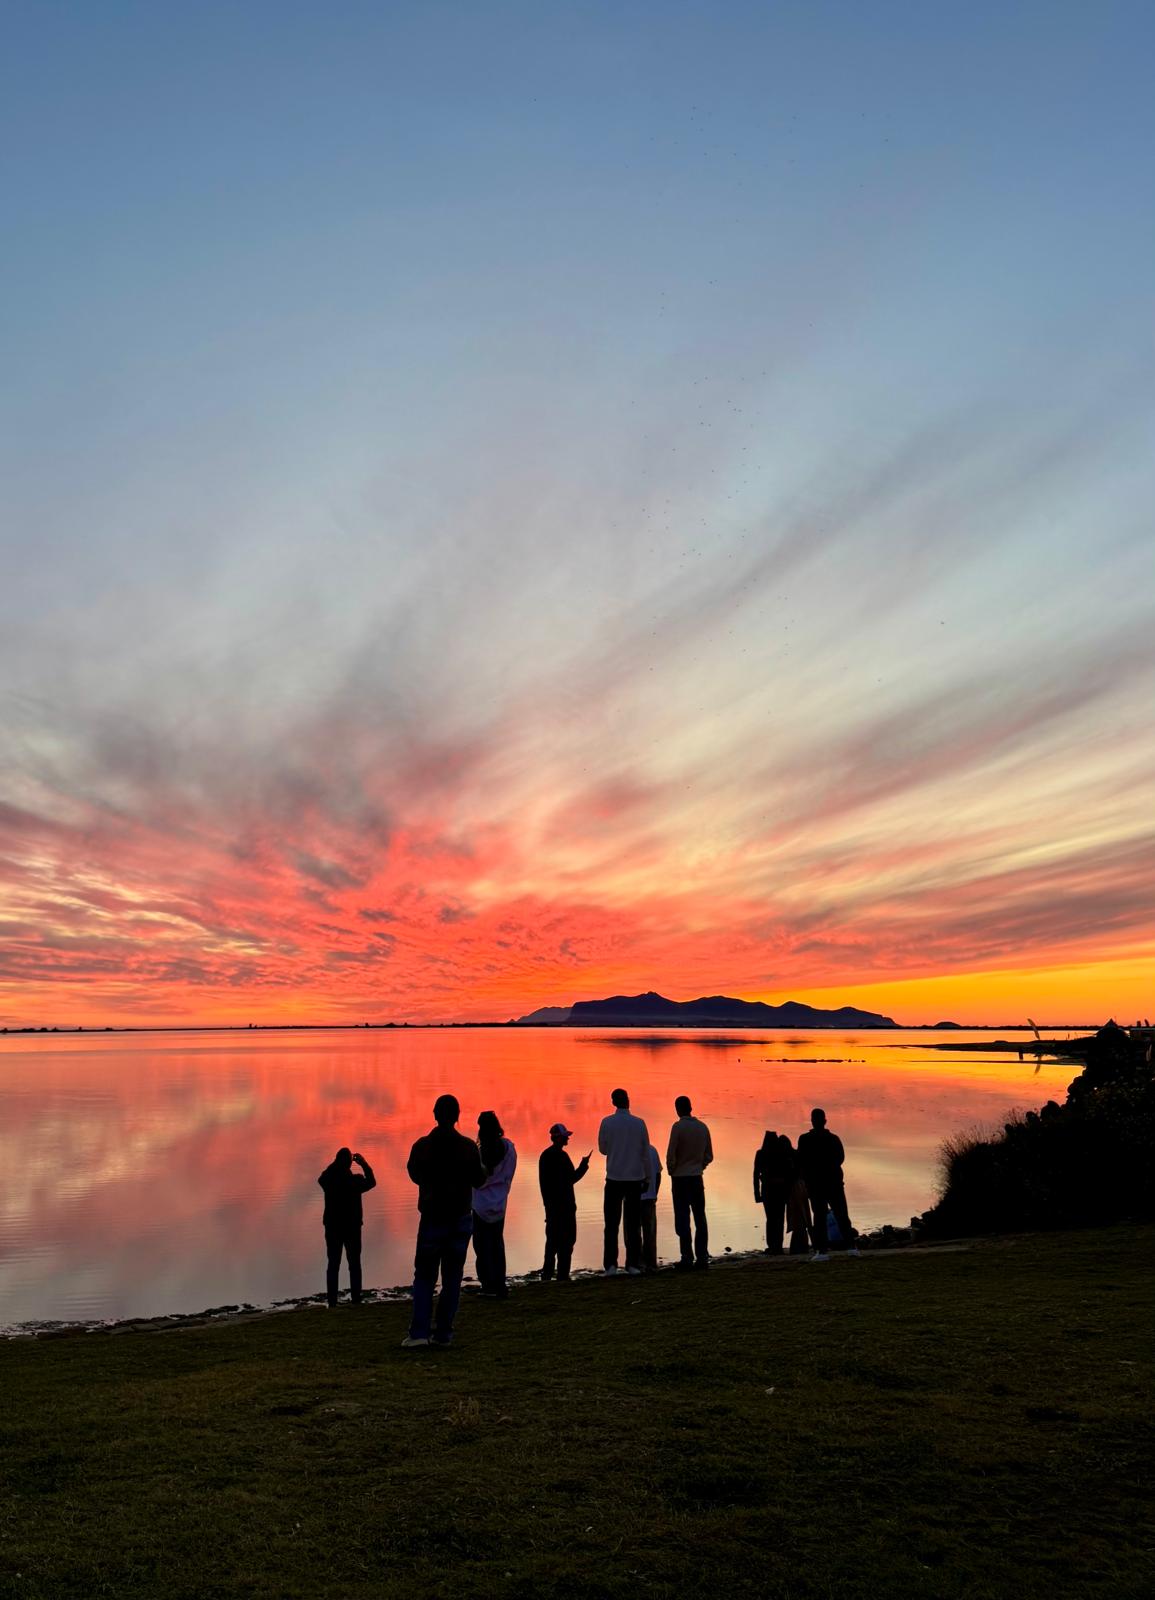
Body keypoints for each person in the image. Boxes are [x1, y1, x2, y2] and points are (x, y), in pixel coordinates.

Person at [403, 1094, 487, 1347]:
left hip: (432, 1217)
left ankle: (419, 1334)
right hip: (460, 1218)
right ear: (457, 1117)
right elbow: (479, 1180)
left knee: (425, 1276)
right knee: (452, 1277)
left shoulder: (422, 1146)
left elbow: (414, 1174)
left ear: (435, 1114)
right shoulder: (468, 1147)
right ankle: (443, 1334)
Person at [597, 1088, 651, 1276]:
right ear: (628, 1101)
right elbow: (645, 1154)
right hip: (635, 1179)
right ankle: (633, 1264)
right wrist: (648, 1178)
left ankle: (611, 1266)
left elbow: (603, 1150)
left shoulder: (607, 1122)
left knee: (611, 1224)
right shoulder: (639, 1123)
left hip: (614, 1179)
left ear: (613, 1102)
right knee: (633, 1224)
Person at [797, 1108, 859, 1261]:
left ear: (812, 1121)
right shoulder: (833, 1139)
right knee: (841, 1215)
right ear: (825, 1121)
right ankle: (850, 1247)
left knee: (820, 1217)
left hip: (817, 1184)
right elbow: (840, 1158)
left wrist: (809, 1176)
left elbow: (801, 1161)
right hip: (833, 1183)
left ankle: (822, 1251)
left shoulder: (805, 1139)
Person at [317, 1147, 376, 1307]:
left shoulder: (329, 1180)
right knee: (354, 1264)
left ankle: (332, 1302)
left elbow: (321, 1178)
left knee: (333, 1264)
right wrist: (363, 1164)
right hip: (352, 1227)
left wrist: (336, 1163)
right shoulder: (355, 1181)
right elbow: (372, 1181)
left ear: (336, 1162)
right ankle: (356, 1299)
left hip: (333, 1226)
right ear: (350, 1164)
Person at [472, 1110, 517, 1299]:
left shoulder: (480, 1153)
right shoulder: (509, 1148)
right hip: (500, 1204)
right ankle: (499, 1283)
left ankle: (488, 1285)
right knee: (497, 1244)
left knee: (481, 1247)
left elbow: (477, 1181)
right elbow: (509, 1174)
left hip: (480, 1206)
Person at [538, 1123, 590, 1281]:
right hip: (564, 1206)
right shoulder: (561, 1157)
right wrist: (583, 1166)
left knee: (552, 1243)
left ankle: (548, 1275)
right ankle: (562, 1275)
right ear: (558, 1138)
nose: (568, 1138)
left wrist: (547, 1205)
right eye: (565, 1136)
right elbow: (571, 1179)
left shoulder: (545, 1156)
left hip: (553, 1207)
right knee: (566, 1242)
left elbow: (544, 1184)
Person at [667, 1095, 713, 1270]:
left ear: (678, 1109)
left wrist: (672, 1171)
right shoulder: (702, 1127)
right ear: (691, 1107)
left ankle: (687, 1256)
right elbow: (709, 1155)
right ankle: (701, 1256)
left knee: (682, 1217)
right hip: (696, 1177)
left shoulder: (678, 1128)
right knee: (700, 1217)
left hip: (680, 1178)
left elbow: (671, 1154)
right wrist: (700, 1166)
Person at [753, 1130, 793, 1254]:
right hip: (781, 1190)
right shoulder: (782, 1154)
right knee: (779, 1218)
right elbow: (788, 1173)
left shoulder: (760, 1154)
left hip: (767, 1190)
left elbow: (755, 1175)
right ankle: (778, 1246)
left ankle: (772, 1246)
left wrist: (757, 1194)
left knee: (770, 1218)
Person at [782, 1135, 812, 1255]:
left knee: (797, 1218)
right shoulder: (796, 1154)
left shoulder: (788, 1158)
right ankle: (802, 1246)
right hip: (802, 1187)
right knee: (803, 1218)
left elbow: (792, 1174)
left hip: (795, 1189)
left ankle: (798, 1248)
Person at [640, 1140, 663, 1271]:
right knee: (650, 1232)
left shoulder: (629, 1150)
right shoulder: (652, 1150)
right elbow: (658, 1174)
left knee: (632, 1233)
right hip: (650, 1198)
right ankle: (651, 1263)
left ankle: (637, 1263)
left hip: (633, 1198)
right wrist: (655, 1193)